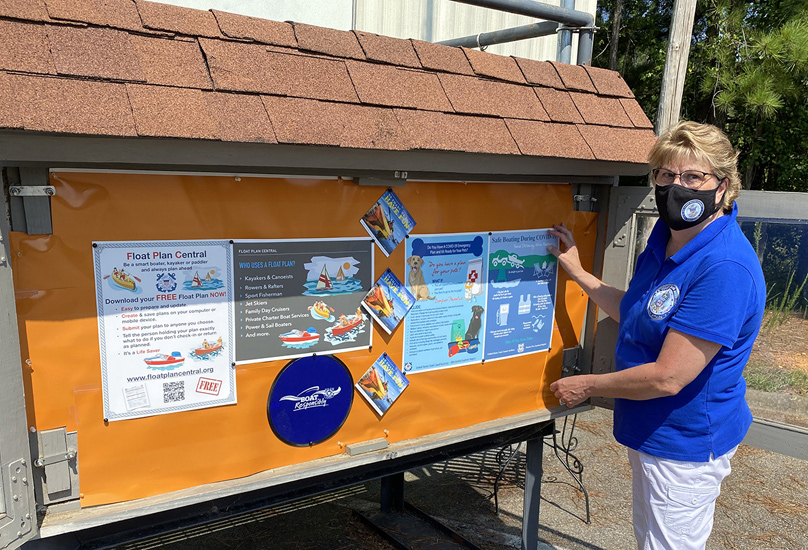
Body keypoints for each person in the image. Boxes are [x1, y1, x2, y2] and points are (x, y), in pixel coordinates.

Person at [548, 121, 765, 550]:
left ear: (722, 187)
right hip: (651, 429)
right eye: (666, 175)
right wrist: (579, 274)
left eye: (692, 177)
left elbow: (669, 376)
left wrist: (588, 385)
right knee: (650, 539)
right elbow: (640, 310)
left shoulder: (723, 267)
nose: (676, 186)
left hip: (683, 443)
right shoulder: (667, 237)